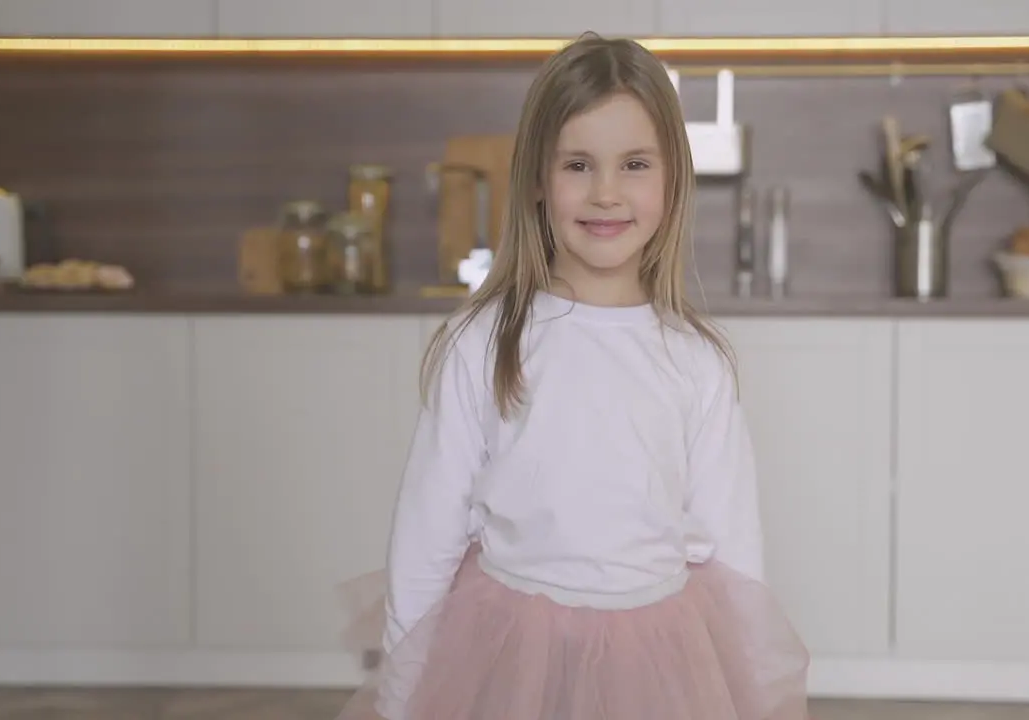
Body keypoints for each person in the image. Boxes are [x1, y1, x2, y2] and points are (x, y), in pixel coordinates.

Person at [335, 31, 811, 720]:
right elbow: (425, 538)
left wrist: (760, 701)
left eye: (635, 164)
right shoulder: (484, 342)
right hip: (507, 659)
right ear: (535, 177)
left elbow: (735, 555)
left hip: (659, 664)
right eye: (579, 164)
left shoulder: (696, 362)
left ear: (674, 177)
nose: (606, 193)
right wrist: (401, 703)